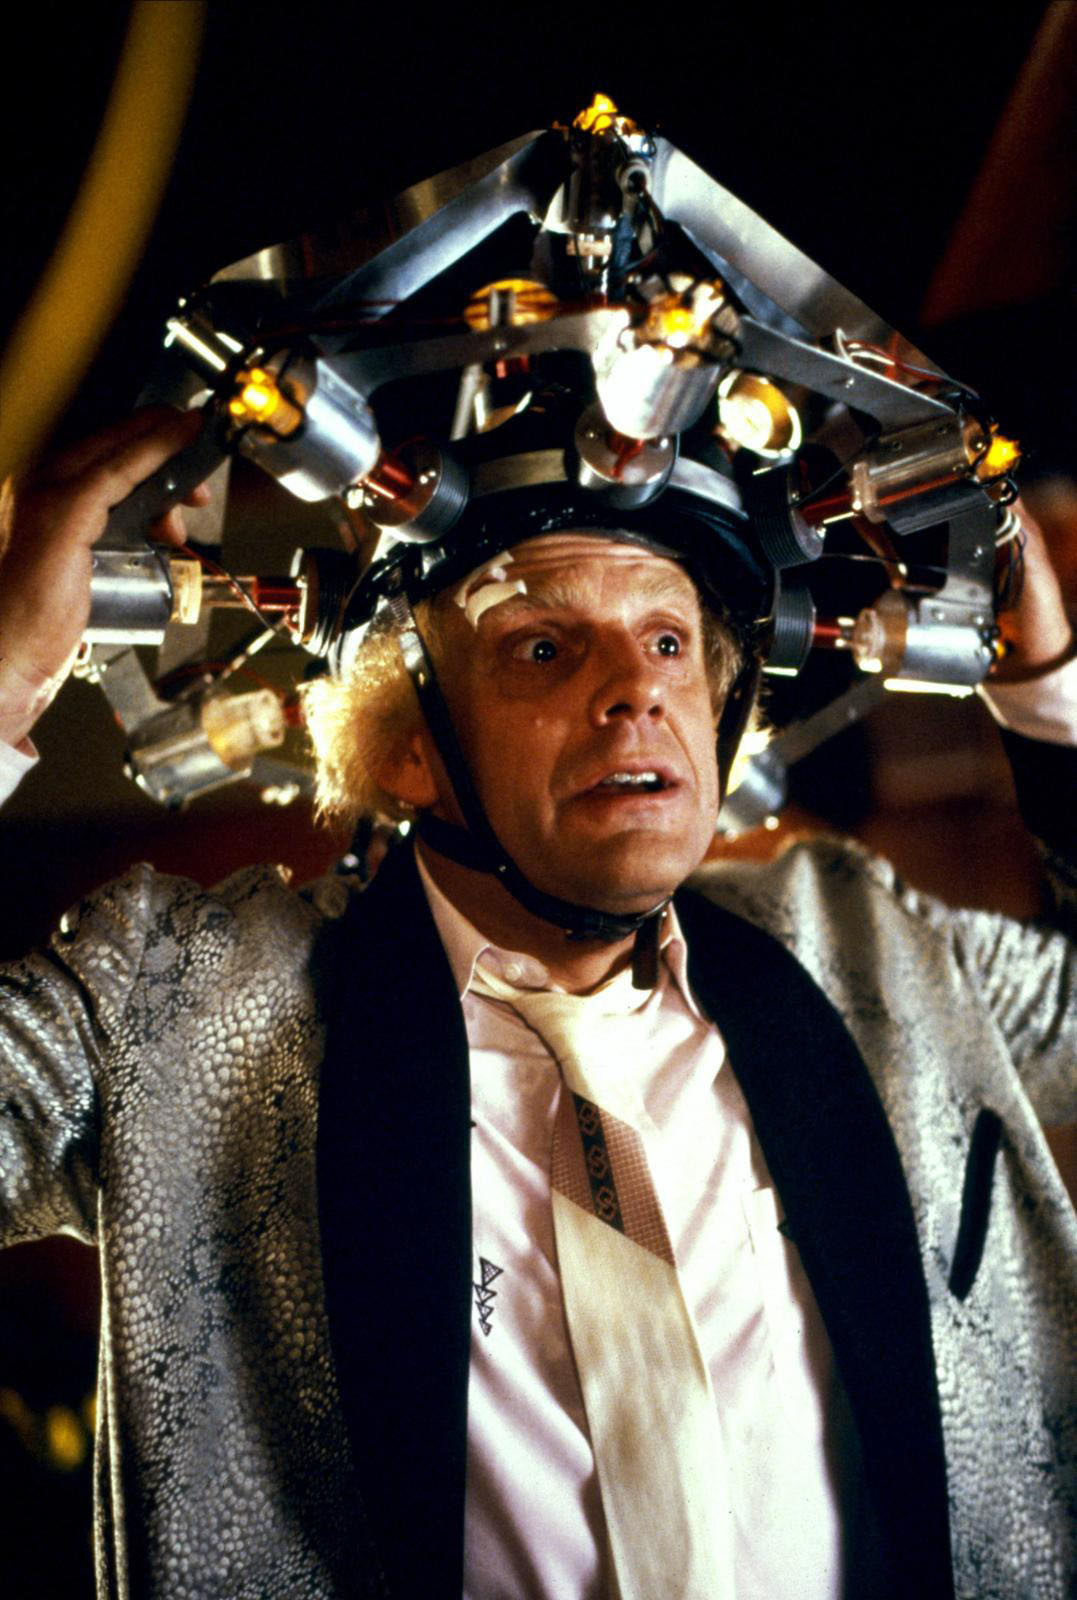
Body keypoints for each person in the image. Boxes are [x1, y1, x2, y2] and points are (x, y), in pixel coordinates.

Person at [0, 395, 1073, 1600]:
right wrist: (2, 679)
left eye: (668, 641)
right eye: (545, 649)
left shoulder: (867, 939)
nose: (636, 690)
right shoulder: (169, 1001)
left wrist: (1053, 695)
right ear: (408, 748)